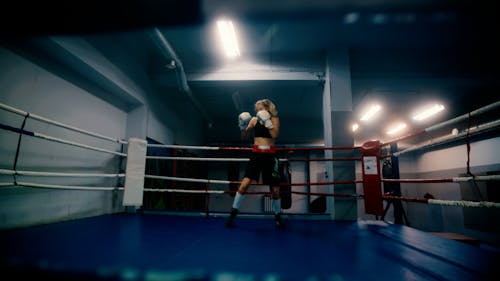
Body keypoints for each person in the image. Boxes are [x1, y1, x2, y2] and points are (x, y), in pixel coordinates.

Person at [226, 98, 284, 228]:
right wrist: (243, 127)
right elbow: (244, 138)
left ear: (267, 108)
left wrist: (267, 121)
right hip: (256, 155)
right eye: (256, 110)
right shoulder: (254, 120)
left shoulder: (274, 119)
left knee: (275, 190)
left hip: (270, 156)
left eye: (260, 109)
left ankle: (278, 217)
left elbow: (274, 135)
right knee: (244, 185)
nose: (258, 112)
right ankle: (232, 215)